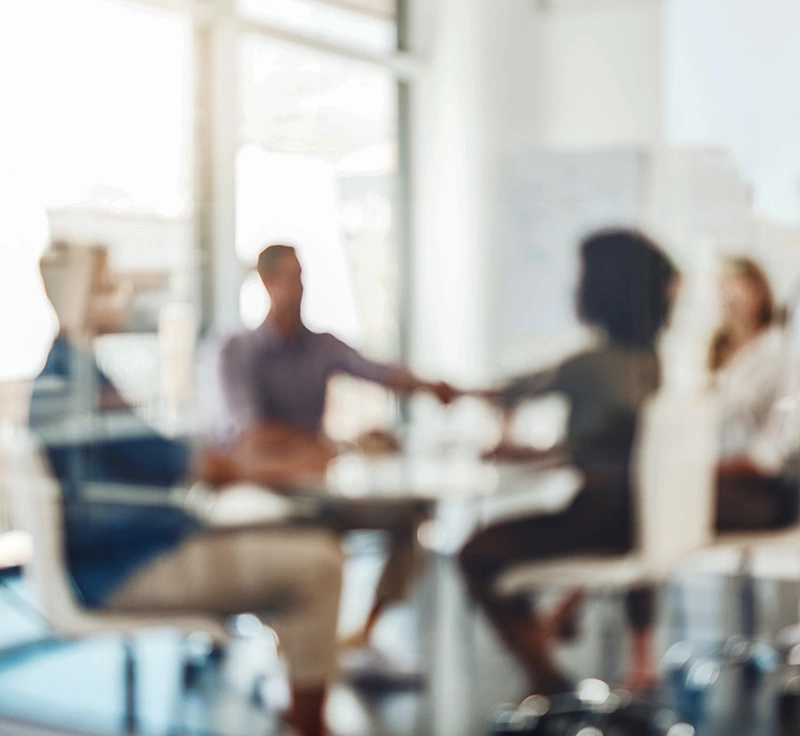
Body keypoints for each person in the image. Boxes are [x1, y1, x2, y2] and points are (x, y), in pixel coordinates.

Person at [29, 243, 343, 736]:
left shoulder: (75, 375)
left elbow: (162, 463)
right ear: (81, 296)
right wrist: (269, 467)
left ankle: (295, 707)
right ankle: (309, 726)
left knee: (288, 536)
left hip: (131, 552)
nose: (123, 294)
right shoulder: (79, 385)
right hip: (127, 567)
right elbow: (175, 463)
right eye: (108, 285)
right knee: (318, 564)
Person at [459, 229, 677, 695]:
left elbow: (510, 391)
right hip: (642, 521)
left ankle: (546, 678)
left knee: (477, 551)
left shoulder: (588, 366)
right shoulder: (652, 363)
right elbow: (605, 444)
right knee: (525, 539)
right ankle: (547, 642)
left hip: (600, 519)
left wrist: (445, 394)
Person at [216, 243, 458, 650]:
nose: (298, 287)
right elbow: (251, 434)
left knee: (410, 514)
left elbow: (378, 372)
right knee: (308, 547)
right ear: (265, 281)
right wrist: (333, 443)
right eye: (289, 277)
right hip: (267, 488)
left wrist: (442, 388)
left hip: (319, 485)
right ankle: (292, 641)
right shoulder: (237, 351)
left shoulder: (322, 346)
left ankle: (362, 638)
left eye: (302, 276)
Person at [709, 257, 798, 531]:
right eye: (720, 285)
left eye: (736, 284)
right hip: (716, 472)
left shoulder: (779, 353)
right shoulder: (714, 358)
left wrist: (716, 469)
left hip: (763, 484)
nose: (727, 294)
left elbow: (776, 447)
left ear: (758, 291)